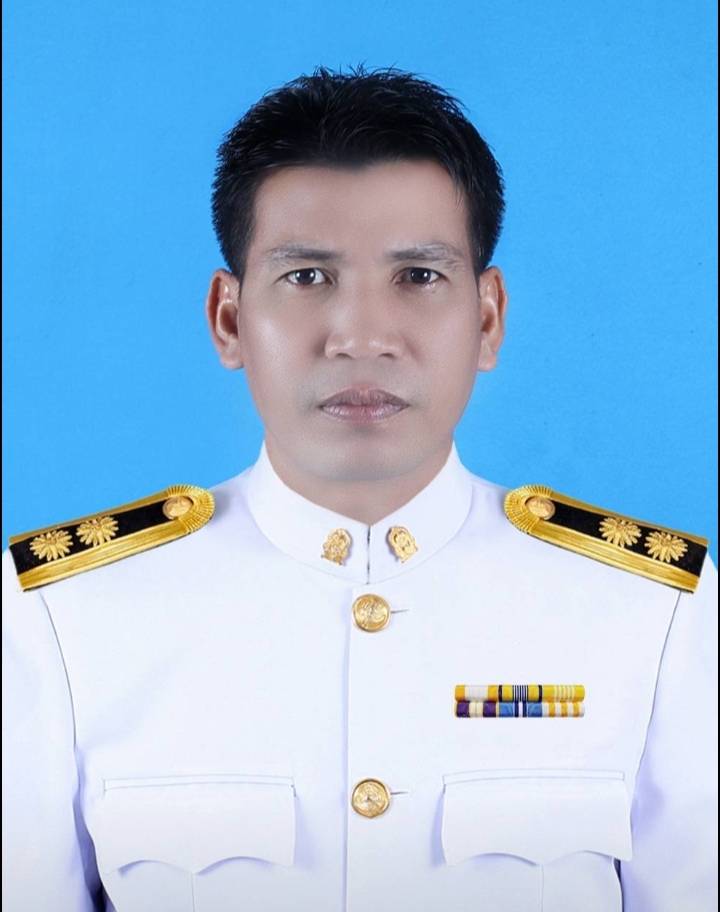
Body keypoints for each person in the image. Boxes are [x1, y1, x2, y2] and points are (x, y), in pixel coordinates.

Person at [2, 64, 716, 912]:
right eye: (307, 277)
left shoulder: (652, 612)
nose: (363, 336)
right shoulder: (63, 616)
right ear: (229, 319)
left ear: (488, 317)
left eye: (419, 276)